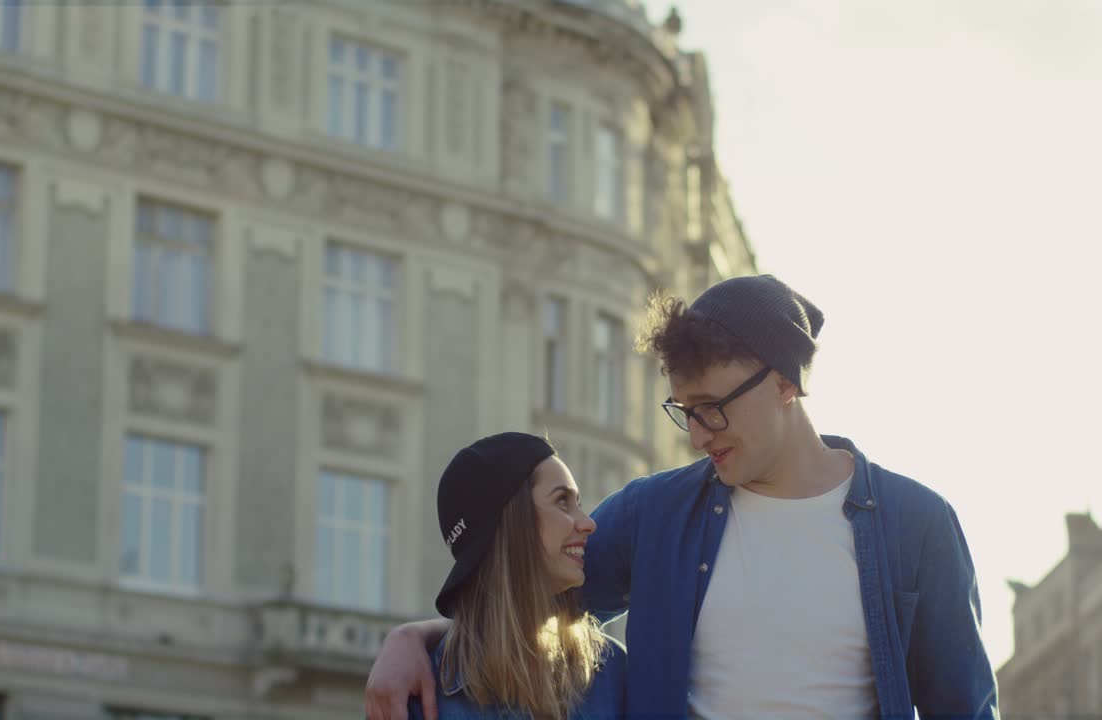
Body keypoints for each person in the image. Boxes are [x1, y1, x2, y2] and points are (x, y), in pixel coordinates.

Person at [369, 275, 998, 720]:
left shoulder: (917, 526)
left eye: (712, 410)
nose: (697, 436)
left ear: (784, 382)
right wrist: (412, 641)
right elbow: (524, 596)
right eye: (684, 413)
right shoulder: (655, 513)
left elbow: (963, 709)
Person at [405, 432, 626, 720]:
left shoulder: (613, 673)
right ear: (512, 521)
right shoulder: (421, 696)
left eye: (578, 503)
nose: (588, 524)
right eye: (562, 501)